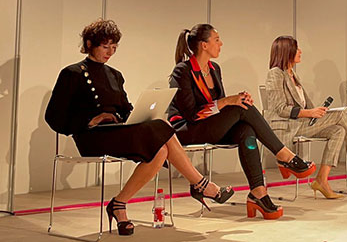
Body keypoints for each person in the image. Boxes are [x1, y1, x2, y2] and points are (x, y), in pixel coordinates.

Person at [45, 19, 233, 236]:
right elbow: (53, 117)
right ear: (89, 44)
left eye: (114, 47)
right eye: (105, 46)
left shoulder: (115, 75)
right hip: (91, 136)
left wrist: (139, 115)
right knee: (161, 128)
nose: (110, 52)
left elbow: (126, 110)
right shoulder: (73, 73)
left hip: (116, 132)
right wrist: (91, 120)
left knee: (160, 150)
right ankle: (202, 185)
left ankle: (118, 204)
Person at [168, 24, 315, 220]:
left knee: (246, 130)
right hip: (187, 130)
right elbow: (191, 114)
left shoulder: (214, 69)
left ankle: (258, 193)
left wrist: (235, 100)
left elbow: (218, 106)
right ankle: (284, 155)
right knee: (240, 107)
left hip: (209, 127)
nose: (221, 44)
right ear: (204, 45)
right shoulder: (183, 71)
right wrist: (230, 101)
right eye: (217, 40)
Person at [264, 36, 347, 199]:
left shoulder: (293, 75)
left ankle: (322, 180)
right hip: (287, 127)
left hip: (301, 123)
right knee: (339, 115)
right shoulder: (275, 74)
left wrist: (318, 111)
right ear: (286, 51)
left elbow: (306, 106)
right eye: (296, 48)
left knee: (338, 131)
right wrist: (310, 113)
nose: (300, 51)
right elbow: (280, 109)